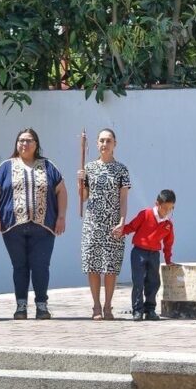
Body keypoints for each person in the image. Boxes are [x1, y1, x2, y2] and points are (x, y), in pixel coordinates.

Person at [0, 128, 67, 320]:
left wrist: (61, 217)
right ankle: (21, 306)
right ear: (16, 144)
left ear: (36, 144)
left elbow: (61, 191)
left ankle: (42, 305)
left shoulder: (48, 166)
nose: (25, 144)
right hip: (13, 226)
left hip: (44, 226)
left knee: (41, 266)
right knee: (19, 266)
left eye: (29, 141)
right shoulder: (6, 166)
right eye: (21, 140)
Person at [78, 128, 131, 320]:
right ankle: (96, 306)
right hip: (93, 222)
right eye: (101, 140)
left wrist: (122, 221)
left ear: (114, 144)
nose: (104, 144)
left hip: (113, 222)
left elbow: (123, 198)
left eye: (108, 140)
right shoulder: (90, 168)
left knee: (110, 266)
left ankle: (108, 305)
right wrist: (80, 182)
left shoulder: (121, 169)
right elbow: (83, 197)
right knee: (92, 265)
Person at [117, 189, 176, 322]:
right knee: (138, 281)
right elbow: (132, 226)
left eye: (170, 209)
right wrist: (121, 231)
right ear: (157, 204)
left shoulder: (168, 225)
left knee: (153, 282)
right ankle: (137, 311)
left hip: (154, 255)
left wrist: (168, 260)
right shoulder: (145, 214)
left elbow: (168, 243)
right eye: (164, 208)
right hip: (139, 252)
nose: (166, 211)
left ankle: (150, 310)